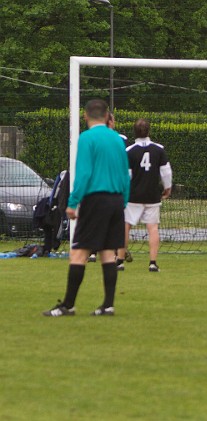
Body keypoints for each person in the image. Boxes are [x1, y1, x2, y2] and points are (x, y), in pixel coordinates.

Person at [43, 99, 130, 317]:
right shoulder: (118, 140)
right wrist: (124, 201)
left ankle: (68, 305)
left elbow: (83, 174)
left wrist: (72, 203)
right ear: (108, 116)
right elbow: (126, 175)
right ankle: (108, 305)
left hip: (96, 200)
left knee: (78, 252)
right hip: (116, 200)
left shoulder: (87, 138)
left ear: (85, 116)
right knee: (108, 252)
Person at [121, 118, 173, 273]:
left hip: (133, 196)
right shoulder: (159, 149)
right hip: (152, 195)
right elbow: (166, 171)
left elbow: (127, 175)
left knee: (125, 226)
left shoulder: (129, 151)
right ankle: (152, 263)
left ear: (134, 132)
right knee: (153, 228)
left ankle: (119, 261)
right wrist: (168, 188)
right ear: (149, 131)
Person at [89, 112, 127, 264]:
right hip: (113, 187)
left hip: (96, 186)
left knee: (96, 220)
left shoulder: (92, 138)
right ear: (110, 122)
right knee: (114, 223)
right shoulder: (120, 139)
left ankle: (93, 252)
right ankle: (116, 255)